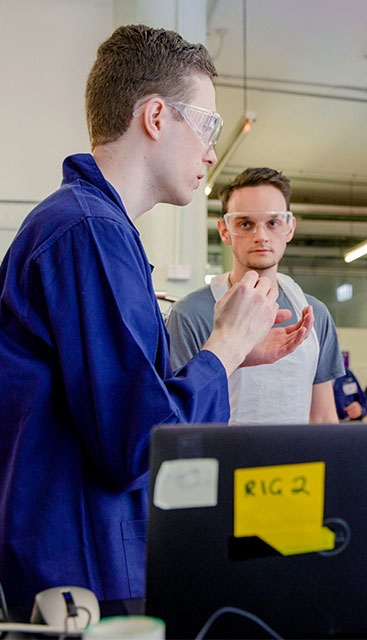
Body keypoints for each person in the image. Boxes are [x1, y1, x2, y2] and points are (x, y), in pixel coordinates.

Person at [0, 25, 312, 607]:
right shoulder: (88, 231)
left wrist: (236, 351)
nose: (213, 152)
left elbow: (119, 403)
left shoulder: (93, 228)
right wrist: (221, 346)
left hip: (83, 557)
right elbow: (132, 441)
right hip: (83, 569)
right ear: (155, 116)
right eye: (208, 126)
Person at [166, 167, 344, 424]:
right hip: (223, 461)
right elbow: (179, 417)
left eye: (273, 223)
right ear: (225, 230)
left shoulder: (314, 314)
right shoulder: (190, 314)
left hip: (299, 463)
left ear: (289, 228)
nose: (261, 236)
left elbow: (324, 416)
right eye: (245, 223)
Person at [332, 353, 367, 421]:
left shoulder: (346, 374)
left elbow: (364, 403)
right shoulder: (312, 374)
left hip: (347, 425)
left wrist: (360, 409)